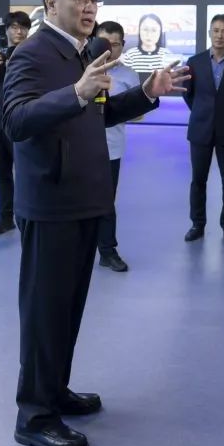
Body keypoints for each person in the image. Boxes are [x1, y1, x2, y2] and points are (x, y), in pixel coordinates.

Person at [2, 0, 188, 446]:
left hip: (85, 199)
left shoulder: (84, 53)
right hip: (50, 204)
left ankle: (55, 390)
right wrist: (75, 93)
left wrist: (145, 94)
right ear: (50, 4)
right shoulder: (32, 53)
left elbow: (99, 113)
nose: (89, 7)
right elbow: (15, 120)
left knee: (68, 308)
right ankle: (34, 415)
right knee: (45, 313)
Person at [182, 14, 224, 243]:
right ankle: (197, 224)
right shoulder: (195, 61)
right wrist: (203, 112)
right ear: (210, 33)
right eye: (216, 30)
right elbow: (188, 94)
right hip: (200, 130)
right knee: (198, 180)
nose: (220, 35)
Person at [95, 21, 142, 272]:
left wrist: (115, 104)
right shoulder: (80, 68)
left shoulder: (128, 75)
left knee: (105, 201)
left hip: (110, 147)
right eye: (104, 43)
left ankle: (107, 251)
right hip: (76, 146)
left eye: (115, 44)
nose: (109, 49)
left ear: (122, 46)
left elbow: (139, 114)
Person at [0, 11, 31, 235]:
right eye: (13, 27)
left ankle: (26, 216)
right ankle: (5, 218)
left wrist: (15, 65)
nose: (18, 31)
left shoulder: (31, 55)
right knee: (2, 174)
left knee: (24, 172)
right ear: (6, 30)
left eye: (23, 27)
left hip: (20, 122)